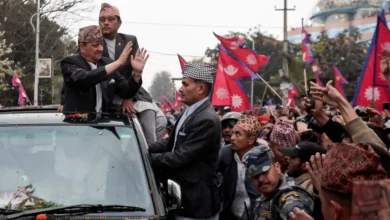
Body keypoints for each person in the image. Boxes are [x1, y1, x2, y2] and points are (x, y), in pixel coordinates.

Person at [148, 63, 221, 220]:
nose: (180, 89)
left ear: (200, 88)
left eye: (185, 84)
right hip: (182, 199)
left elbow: (181, 156)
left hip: (196, 205)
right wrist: (143, 148)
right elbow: (170, 144)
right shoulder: (188, 113)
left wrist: (145, 160)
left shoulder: (207, 120)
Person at [99, 2, 167, 144]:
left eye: (110, 19)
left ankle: (147, 150)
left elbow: (134, 69)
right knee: (142, 114)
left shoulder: (129, 40)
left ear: (119, 23)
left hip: (131, 89)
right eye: (102, 20)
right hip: (107, 93)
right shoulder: (93, 41)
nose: (106, 23)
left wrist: (128, 97)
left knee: (159, 118)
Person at [60, 25, 148, 113]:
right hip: (78, 123)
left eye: (102, 44)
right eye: (95, 45)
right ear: (82, 47)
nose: (100, 49)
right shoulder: (69, 62)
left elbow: (126, 92)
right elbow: (84, 78)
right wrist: (118, 62)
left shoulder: (107, 63)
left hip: (102, 123)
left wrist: (136, 73)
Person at [242, 146, 315, 220]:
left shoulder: (290, 196)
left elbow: (293, 209)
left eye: (265, 172)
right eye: (255, 175)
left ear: (277, 167)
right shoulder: (264, 197)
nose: (261, 179)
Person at [218, 112, 261, 220]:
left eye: (237, 134)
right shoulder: (225, 152)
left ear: (251, 139)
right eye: (232, 133)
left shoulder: (263, 155)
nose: (232, 137)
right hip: (230, 213)